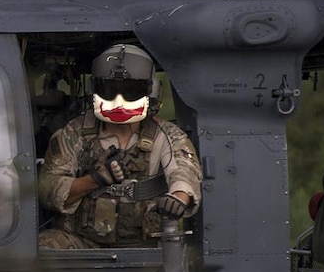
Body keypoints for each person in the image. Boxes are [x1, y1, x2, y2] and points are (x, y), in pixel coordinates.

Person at [38, 44, 201, 249]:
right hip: (82, 241)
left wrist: (178, 198)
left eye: (131, 91)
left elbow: (185, 175)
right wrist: (94, 180)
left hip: (141, 246)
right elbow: (47, 189)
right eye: (109, 90)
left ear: (151, 92)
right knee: (43, 247)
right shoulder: (75, 132)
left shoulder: (167, 135)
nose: (119, 100)